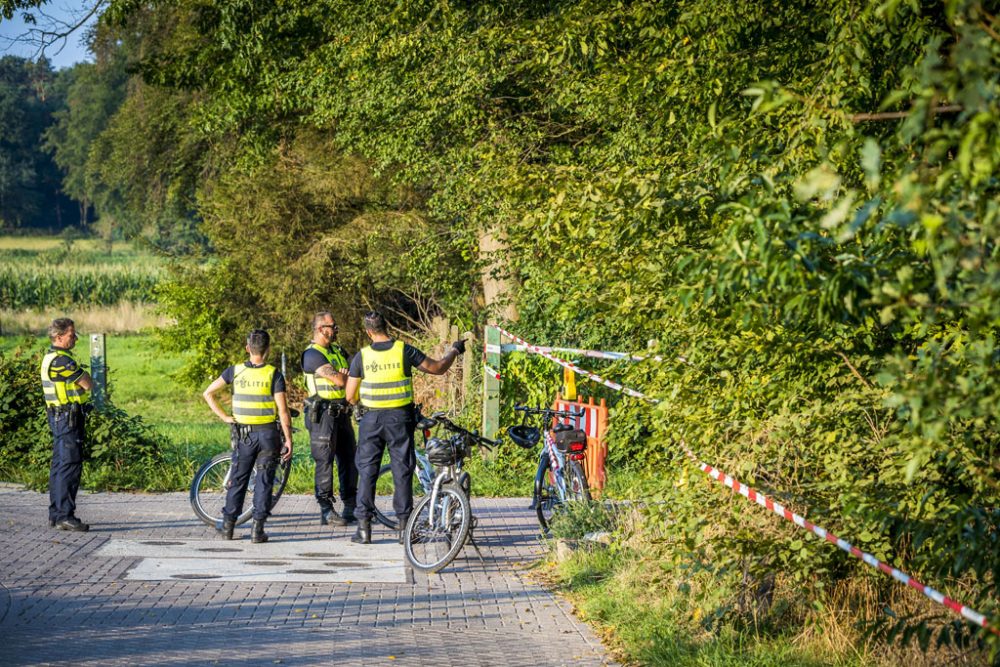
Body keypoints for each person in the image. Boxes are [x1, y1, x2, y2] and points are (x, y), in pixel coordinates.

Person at [345, 311, 466, 544]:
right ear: (385, 327)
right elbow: (438, 367)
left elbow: (350, 395)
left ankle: (363, 529)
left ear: (368, 332)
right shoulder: (404, 350)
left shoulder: (362, 356)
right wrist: (455, 350)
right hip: (400, 420)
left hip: (371, 421)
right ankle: (404, 528)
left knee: (367, 471)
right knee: (402, 471)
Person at [203, 329, 294, 543]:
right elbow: (283, 411)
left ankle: (228, 527)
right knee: (264, 480)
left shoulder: (234, 371)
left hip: (244, 436)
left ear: (247, 348)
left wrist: (225, 417)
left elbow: (208, 393)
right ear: (268, 350)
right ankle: (257, 530)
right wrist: (288, 439)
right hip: (268, 436)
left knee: (239, 479)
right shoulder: (274, 374)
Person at [301, 311, 358, 527]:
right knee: (324, 461)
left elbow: (353, 374)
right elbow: (341, 379)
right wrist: (342, 376)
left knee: (349, 460)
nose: (335, 329)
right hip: (322, 414)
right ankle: (326, 510)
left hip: (342, 412)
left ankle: (350, 506)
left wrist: (344, 377)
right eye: (331, 326)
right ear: (319, 329)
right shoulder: (312, 354)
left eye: (335, 325)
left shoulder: (338, 351)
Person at [41, 318, 94, 532]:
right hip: (67, 418)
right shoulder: (62, 361)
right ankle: (65, 515)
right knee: (69, 466)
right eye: (72, 334)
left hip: (59, 416)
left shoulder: (50, 357)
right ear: (59, 336)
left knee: (60, 466)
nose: (76, 337)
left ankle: (56, 514)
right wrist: (85, 377)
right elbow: (88, 383)